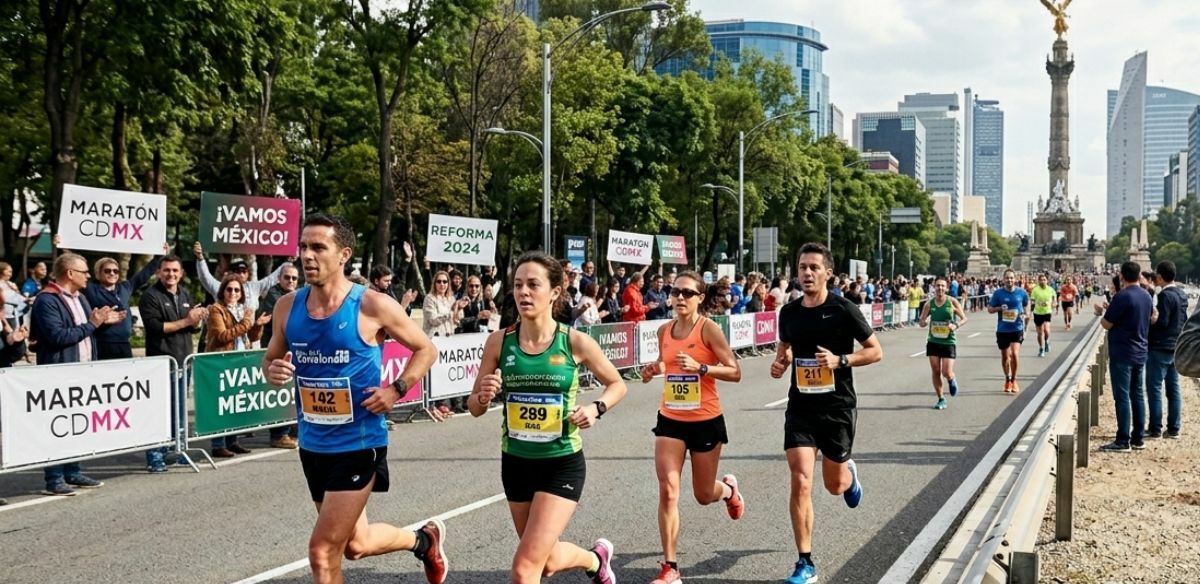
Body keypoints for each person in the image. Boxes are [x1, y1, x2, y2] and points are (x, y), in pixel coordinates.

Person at [262, 213, 444, 584]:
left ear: (344, 254)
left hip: (359, 443)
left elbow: (426, 349)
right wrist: (272, 370)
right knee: (356, 545)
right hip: (313, 443)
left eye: (318, 247)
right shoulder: (287, 307)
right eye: (303, 247)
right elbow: (270, 359)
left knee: (322, 551)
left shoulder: (372, 305)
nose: (307, 255)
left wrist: (396, 389)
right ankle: (424, 540)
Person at [468, 251, 628, 584]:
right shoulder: (499, 342)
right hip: (516, 463)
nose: (523, 293)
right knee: (548, 561)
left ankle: (595, 561)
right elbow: (474, 407)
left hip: (561, 464)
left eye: (533, 285)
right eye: (518, 285)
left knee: (525, 568)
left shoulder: (574, 341)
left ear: (555, 292)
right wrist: (483, 395)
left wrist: (595, 408)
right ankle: (596, 560)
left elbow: (617, 384)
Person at [769, 243, 882, 584]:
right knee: (801, 478)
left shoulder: (844, 310)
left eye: (814, 267)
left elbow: (875, 351)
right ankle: (805, 562)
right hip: (801, 407)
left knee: (834, 486)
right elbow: (785, 349)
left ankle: (849, 474)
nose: (807, 273)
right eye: (802, 267)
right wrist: (781, 363)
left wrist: (840, 360)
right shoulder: (789, 313)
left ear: (827, 273)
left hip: (837, 408)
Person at [638, 270, 745, 584]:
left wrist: (702, 367)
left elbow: (734, 371)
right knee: (668, 490)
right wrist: (653, 369)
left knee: (703, 494)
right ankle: (670, 567)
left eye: (687, 293)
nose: (680, 298)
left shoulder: (708, 329)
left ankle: (728, 491)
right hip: (670, 419)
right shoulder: (664, 330)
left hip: (705, 421)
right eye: (675, 292)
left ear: (700, 297)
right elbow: (667, 362)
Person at [30, 253, 123, 494]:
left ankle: (73, 471)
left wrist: (102, 322)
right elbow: (58, 336)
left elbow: (86, 332)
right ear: (70, 274)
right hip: (59, 372)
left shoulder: (80, 298)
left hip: (82, 372)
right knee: (58, 425)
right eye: (84, 272)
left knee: (76, 424)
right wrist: (93, 324)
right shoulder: (47, 300)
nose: (88, 276)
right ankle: (54, 478)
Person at [139, 255, 209, 472]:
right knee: (159, 411)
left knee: (178, 410)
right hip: (162, 363)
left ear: (181, 273)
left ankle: (176, 450)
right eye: (167, 270)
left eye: (175, 271)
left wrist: (197, 321)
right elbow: (156, 328)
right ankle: (155, 455)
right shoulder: (150, 296)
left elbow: (191, 328)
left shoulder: (184, 293)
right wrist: (188, 320)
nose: (171, 274)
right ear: (158, 272)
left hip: (183, 362)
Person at [206, 274, 271, 457]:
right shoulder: (216, 309)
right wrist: (247, 323)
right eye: (229, 289)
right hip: (222, 362)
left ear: (241, 293)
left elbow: (252, 337)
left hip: (240, 361)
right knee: (221, 404)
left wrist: (257, 325)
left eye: (237, 290)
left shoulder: (243, 310)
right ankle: (218, 444)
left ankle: (232, 441)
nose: (233, 293)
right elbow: (222, 336)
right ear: (223, 291)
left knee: (234, 404)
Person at [1094, 262, 1154, 452]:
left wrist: (1101, 313)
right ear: (1138, 275)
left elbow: (1106, 324)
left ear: (1122, 276)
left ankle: (1123, 439)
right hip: (1140, 350)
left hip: (1122, 351)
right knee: (1138, 394)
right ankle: (1138, 438)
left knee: (1122, 396)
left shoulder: (1122, 296)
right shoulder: (1146, 295)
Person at [261, 262, 301, 448]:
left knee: (292, 393)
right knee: (280, 393)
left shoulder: (297, 296)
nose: (291, 281)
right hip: (276, 351)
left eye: (294, 278)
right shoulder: (275, 297)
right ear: (279, 278)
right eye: (287, 277)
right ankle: (279, 434)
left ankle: (293, 428)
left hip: (293, 351)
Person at [1146, 261, 1187, 439]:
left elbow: (1162, 322)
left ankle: (1155, 428)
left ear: (1160, 276)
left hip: (1160, 346)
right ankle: (1173, 428)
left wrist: (1152, 319)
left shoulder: (1164, 296)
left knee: (1154, 388)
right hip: (1176, 346)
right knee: (1174, 389)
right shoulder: (1182, 294)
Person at [193, 242, 284, 315]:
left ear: (248, 274)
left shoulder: (254, 287)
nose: (241, 274)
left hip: (249, 331)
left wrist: (288, 262)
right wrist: (200, 258)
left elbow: (271, 279)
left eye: (244, 271)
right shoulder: (221, 287)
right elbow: (205, 278)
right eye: (237, 271)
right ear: (230, 273)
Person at [919, 277, 968, 410]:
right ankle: (941, 399)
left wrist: (955, 325)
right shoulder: (929, 304)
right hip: (933, 341)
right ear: (934, 287)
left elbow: (964, 318)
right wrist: (923, 322)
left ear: (946, 288)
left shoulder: (952, 302)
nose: (940, 288)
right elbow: (921, 321)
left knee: (946, 372)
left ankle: (951, 379)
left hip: (948, 341)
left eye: (942, 286)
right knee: (935, 370)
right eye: (938, 286)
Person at [988, 269, 1031, 394]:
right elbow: (990, 309)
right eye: (1007, 278)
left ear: (1015, 279)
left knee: (1014, 354)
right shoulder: (998, 293)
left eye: (1011, 278)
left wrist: (1026, 314)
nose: (1009, 280)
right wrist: (999, 308)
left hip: (1017, 328)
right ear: (1003, 279)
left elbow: (1027, 303)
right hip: (1003, 329)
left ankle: (1014, 379)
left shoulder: (1021, 292)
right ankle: (1007, 379)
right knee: (1005, 357)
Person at [423, 270, 460, 416]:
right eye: (439, 281)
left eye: (445, 281)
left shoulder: (450, 299)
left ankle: (444, 403)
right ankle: (432, 403)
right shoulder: (429, 298)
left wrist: (458, 311)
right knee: (434, 372)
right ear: (434, 283)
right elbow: (433, 320)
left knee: (445, 371)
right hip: (433, 339)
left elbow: (456, 320)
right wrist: (449, 313)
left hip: (448, 339)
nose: (442, 284)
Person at [1030, 273, 1057, 357]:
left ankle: (1046, 341)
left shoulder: (1051, 290)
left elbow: (1055, 301)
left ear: (1047, 281)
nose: (1042, 281)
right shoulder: (1035, 290)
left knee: (1046, 330)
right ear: (1038, 281)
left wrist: (1053, 304)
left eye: (1044, 280)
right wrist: (1031, 311)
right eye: (1041, 280)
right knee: (1040, 333)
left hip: (1047, 312)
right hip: (1037, 313)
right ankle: (1041, 348)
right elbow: (1032, 301)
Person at [0, 262, 30, 327]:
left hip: (13, 315)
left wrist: (17, 291)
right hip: (3, 316)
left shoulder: (10, 284)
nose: (11, 274)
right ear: (2, 271)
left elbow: (18, 298)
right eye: (9, 272)